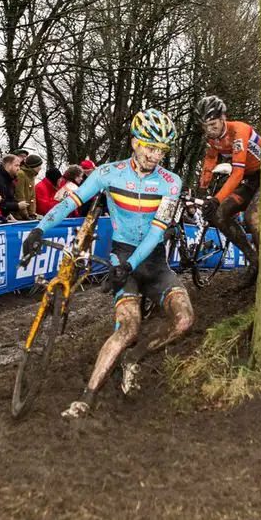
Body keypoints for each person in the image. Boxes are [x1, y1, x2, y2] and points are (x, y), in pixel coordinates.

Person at [22, 108, 195, 419]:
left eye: (161, 150)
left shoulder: (171, 182)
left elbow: (157, 233)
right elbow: (69, 203)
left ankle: (135, 359)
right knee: (128, 327)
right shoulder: (108, 173)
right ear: (134, 143)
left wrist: (133, 265)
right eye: (149, 147)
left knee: (184, 320)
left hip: (153, 261)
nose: (155, 156)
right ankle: (86, 398)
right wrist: (38, 229)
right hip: (122, 256)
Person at [195, 94, 261, 276]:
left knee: (251, 217)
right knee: (220, 214)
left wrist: (216, 198)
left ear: (223, 118)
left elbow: (237, 173)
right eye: (205, 127)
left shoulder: (239, 131)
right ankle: (254, 261)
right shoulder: (211, 139)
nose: (210, 131)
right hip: (250, 179)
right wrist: (203, 190)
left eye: (213, 125)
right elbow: (209, 159)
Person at [0, 154, 28, 219]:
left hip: (4, 217)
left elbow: (9, 199)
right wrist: (17, 205)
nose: (19, 168)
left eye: (19, 166)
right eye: (16, 165)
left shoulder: (9, 179)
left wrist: (8, 214)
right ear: (8, 166)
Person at [13, 154, 43, 220]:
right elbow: (20, 195)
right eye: (39, 165)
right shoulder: (21, 174)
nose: (40, 168)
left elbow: (32, 196)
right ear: (34, 166)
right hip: (20, 216)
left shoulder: (31, 175)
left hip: (28, 215)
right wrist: (25, 215)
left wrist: (32, 213)